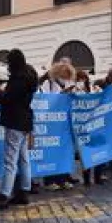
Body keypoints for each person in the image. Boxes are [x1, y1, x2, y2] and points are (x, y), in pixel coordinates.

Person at [0, 49, 38, 211]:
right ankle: (24, 191)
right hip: (25, 120)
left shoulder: (17, 79)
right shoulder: (29, 75)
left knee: (10, 160)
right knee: (23, 158)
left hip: (14, 120)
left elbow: (7, 100)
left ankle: (3, 194)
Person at [40, 62, 78, 190]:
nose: (65, 78)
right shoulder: (47, 84)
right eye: (63, 75)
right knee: (51, 152)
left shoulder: (67, 84)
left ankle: (63, 178)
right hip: (51, 124)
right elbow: (45, 101)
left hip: (63, 125)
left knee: (63, 152)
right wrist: (60, 95)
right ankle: (50, 181)